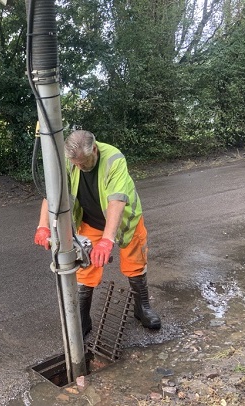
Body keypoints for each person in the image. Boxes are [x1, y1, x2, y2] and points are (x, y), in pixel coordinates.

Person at [34, 129, 161, 336]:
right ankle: (83, 319)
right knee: (85, 270)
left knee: (135, 262)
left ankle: (142, 308)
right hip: (91, 222)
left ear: (94, 148)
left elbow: (117, 200)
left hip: (125, 221)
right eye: (75, 164)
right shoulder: (69, 160)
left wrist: (107, 241)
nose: (79, 167)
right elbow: (53, 193)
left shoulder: (114, 159)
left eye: (83, 163)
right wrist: (43, 226)